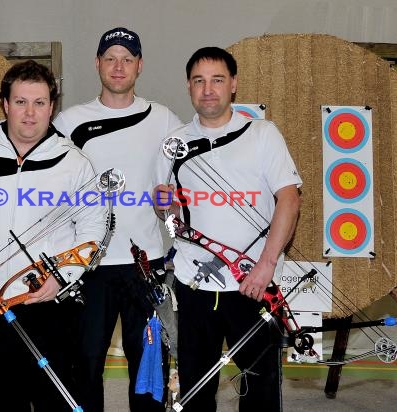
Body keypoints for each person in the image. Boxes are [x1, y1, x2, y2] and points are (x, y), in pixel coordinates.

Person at [0, 27, 183, 412]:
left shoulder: (165, 119)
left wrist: (172, 202)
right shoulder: (68, 120)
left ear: (140, 66)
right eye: (110, 58)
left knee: (148, 365)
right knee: (83, 367)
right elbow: (22, 132)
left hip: (145, 263)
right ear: (97, 64)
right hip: (86, 266)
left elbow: (189, 171)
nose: (118, 67)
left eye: (127, 59)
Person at [0, 59, 107, 412]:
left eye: (39, 103)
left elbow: (93, 230)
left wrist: (63, 277)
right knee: (5, 396)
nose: (30, 113)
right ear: (5, 104)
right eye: (21, 102)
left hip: (50, 302)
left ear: (52, 106)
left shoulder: (74, 162)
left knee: (54, 398)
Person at [153, 47, 302, 412]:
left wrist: (266, 266)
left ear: (233, 85)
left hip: (252, 286)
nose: (208, 89)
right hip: (194, 285)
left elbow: (290, 199)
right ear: (188, 87)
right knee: (196, 387)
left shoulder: (263, 134)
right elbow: (172, 215)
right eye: (199, 81)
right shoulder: (174, 143)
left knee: (259, 387)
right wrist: (164, 205)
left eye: (217, 80)